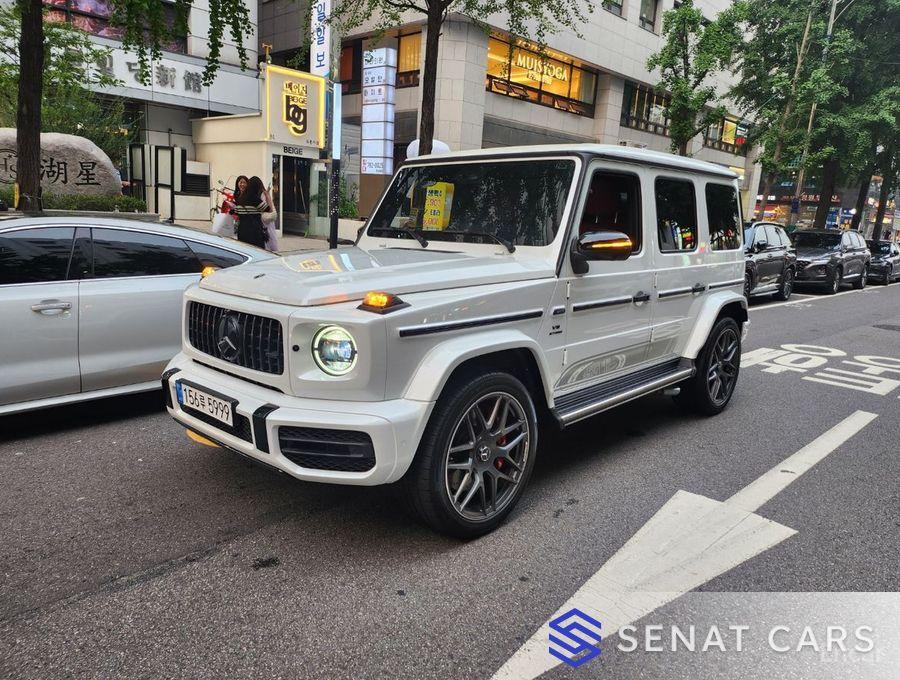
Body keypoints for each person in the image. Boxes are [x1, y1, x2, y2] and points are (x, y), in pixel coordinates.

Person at [233, 176, 273, 249]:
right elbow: (270, 210)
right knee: (257, 252)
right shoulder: (254, 199)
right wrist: (267, 196)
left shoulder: (239, 198)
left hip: (242, 230)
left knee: (244, 250)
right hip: (254, 231)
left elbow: (237, 213)